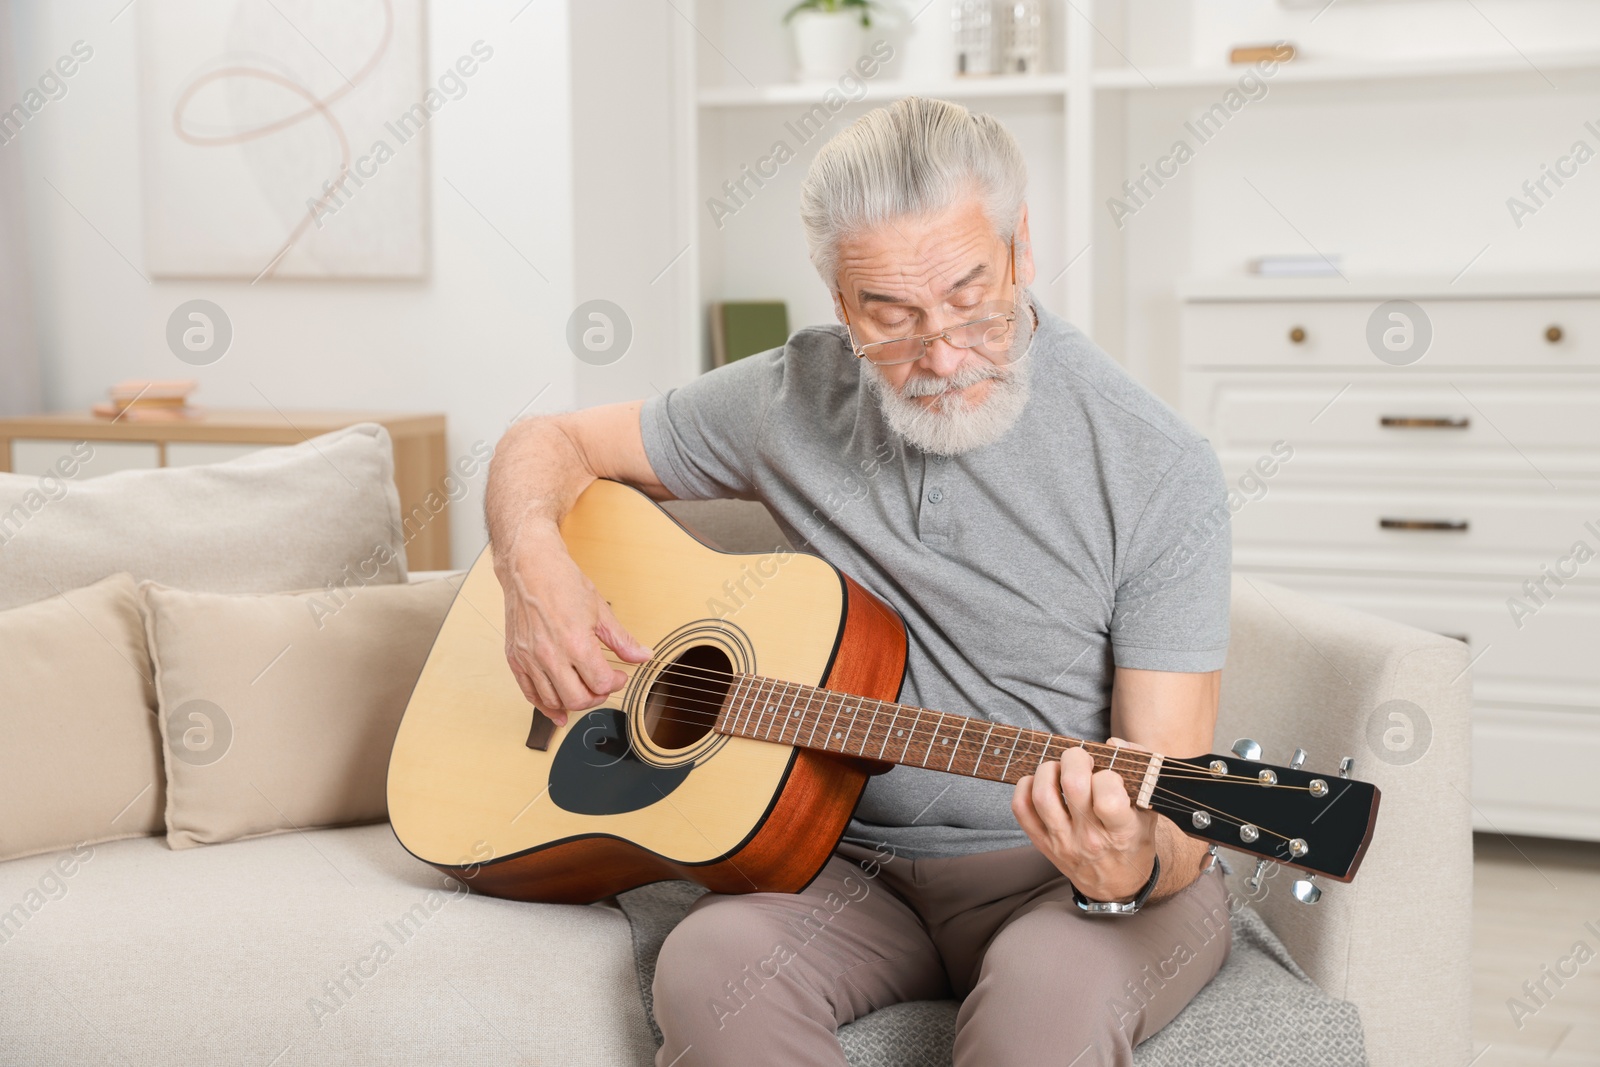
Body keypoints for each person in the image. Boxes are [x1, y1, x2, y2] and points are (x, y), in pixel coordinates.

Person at [484, 96, 1234, 1067]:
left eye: (971, 293)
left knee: (1040, 1013)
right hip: (845, 866)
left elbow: (1171, 799)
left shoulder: (1155, 461)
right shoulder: (790, 396)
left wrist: (1128, 861)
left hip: (1061, 878)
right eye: (890, 311)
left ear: (1021, 249)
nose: (944, 352)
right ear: (838, 301)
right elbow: (548, 439)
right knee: (709, 962)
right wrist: (532, 560)